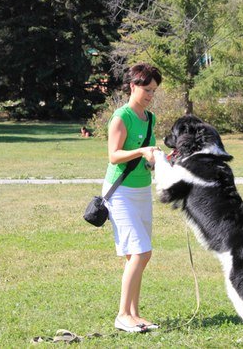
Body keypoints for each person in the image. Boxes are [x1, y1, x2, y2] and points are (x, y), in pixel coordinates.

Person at [102, 63, 162, 333]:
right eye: (147, 89)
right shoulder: (121, 117)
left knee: (139, 256)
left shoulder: (150, 119)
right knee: (140, 252)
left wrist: (154, 159)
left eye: (154, 91)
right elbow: (114, 155)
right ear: (133, 86)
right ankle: (122, 314)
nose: (150, 95)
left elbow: (146, 156)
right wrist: (141, 152)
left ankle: (135, 314)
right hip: (120, 192)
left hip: (142, 191)